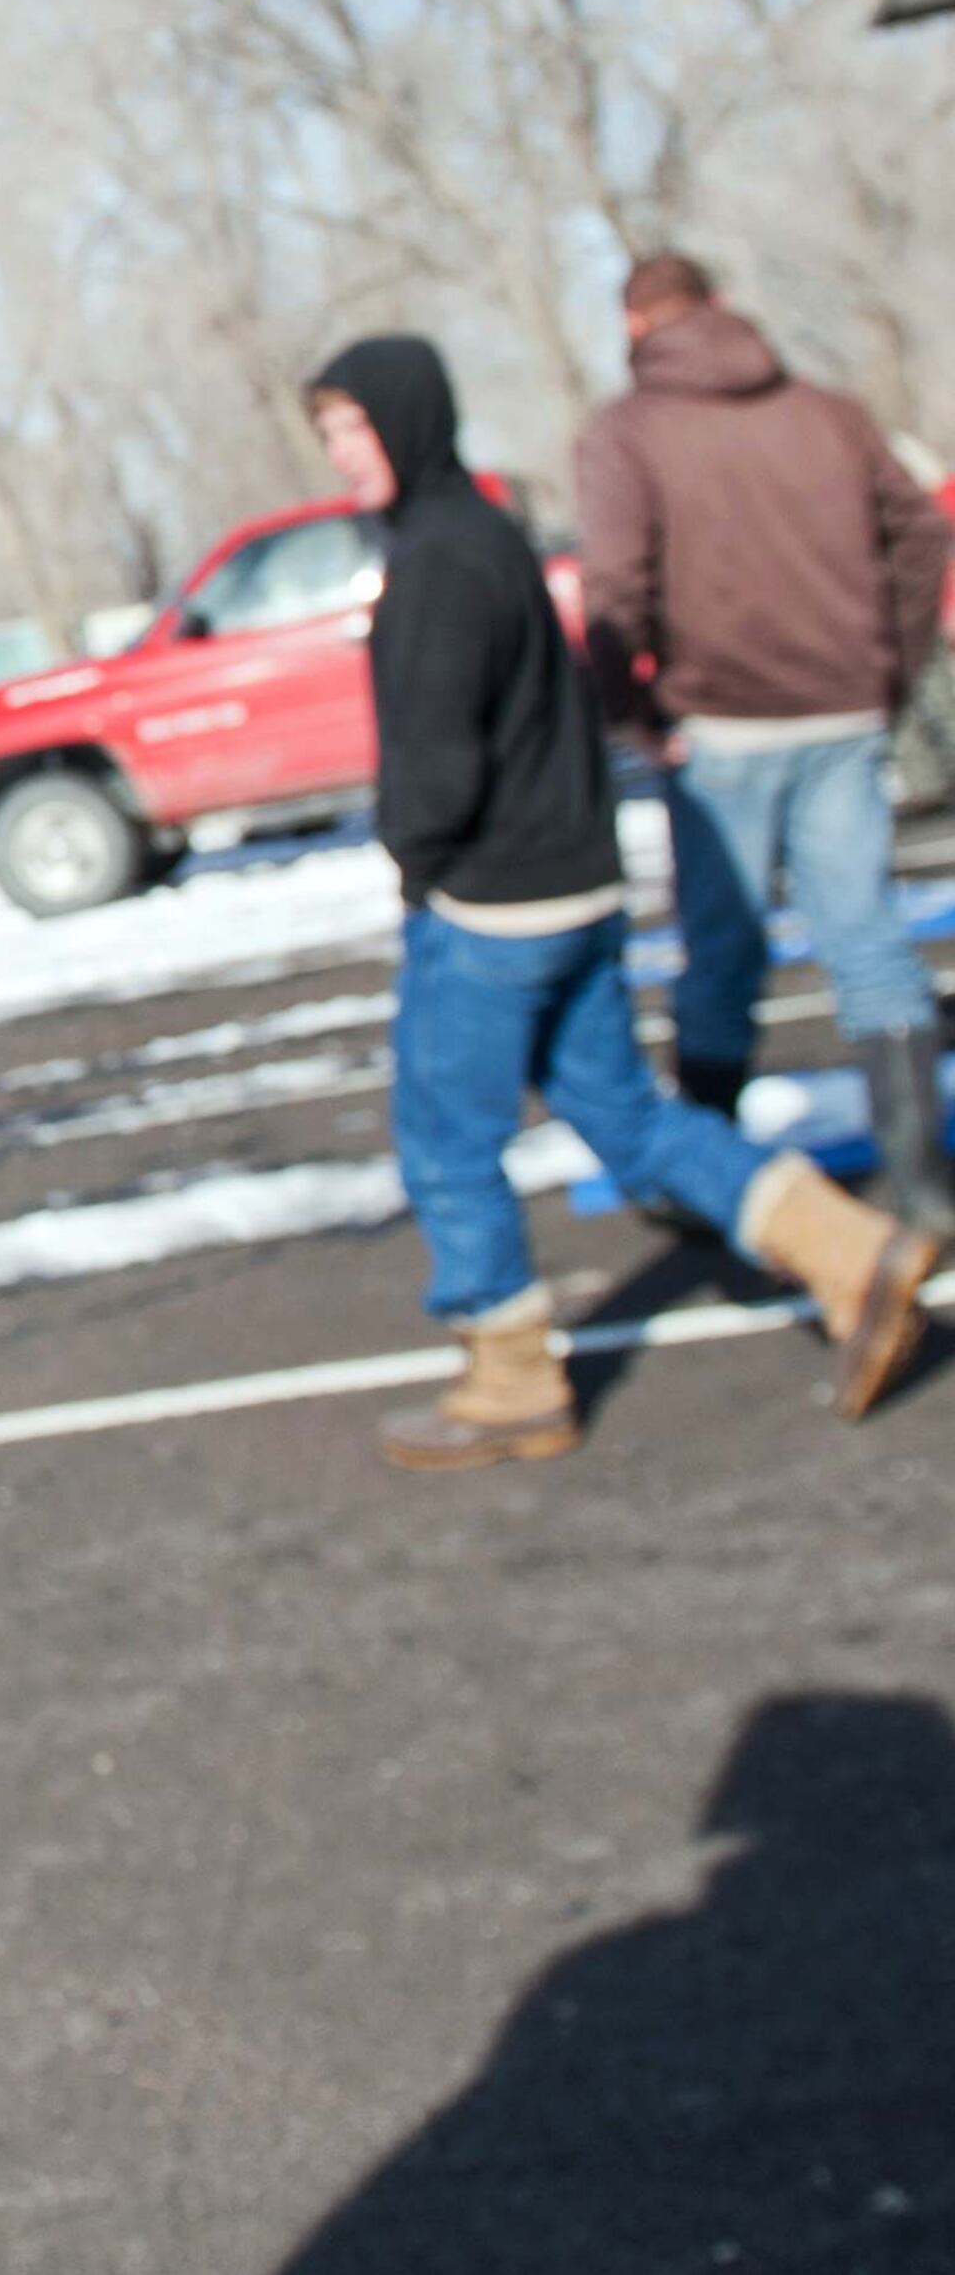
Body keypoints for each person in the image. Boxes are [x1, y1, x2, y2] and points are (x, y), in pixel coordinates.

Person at [311, 333, 940, 1472]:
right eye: (329, 435)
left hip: (492, 905)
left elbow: (438, 766)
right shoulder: (484, 534)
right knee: (627, 1116)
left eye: (352, 428)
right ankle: (849, 1249)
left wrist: (417, 861)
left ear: (405, 420)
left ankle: (510, 1375)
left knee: (447, 1138)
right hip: (575, 887)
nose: (342, 454)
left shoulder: (440, 564)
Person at [575, 251, 954, 1221]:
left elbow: (615, 589)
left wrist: (635, 714)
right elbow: (919, 536)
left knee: (724, 950)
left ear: (634, 326)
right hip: (838, 711)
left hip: (723, 726)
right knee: (867, 942)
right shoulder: (829, 413)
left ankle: (716, 1182)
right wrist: (887, 667)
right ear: (723, 307)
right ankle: (922, 1191)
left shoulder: (630, 432)